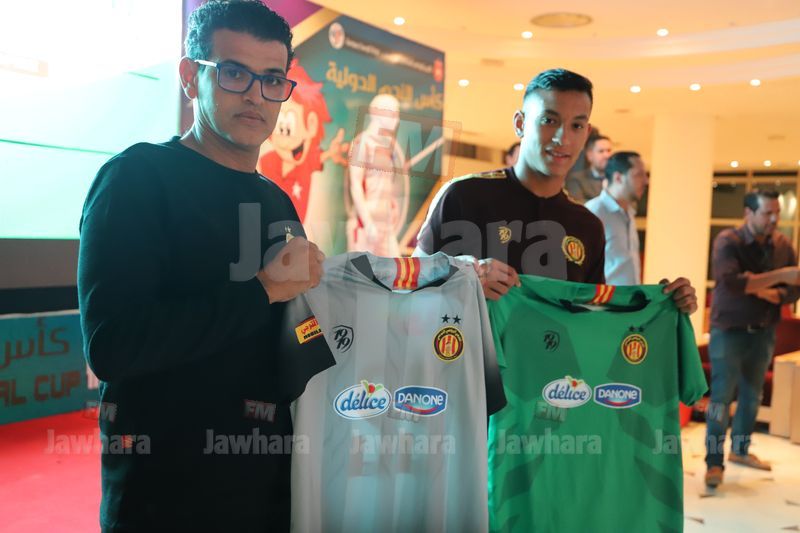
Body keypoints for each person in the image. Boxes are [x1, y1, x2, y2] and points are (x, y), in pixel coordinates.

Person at [78, 1, 332, 530]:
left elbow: (284, 342)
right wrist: (263, 288)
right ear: (191, 77)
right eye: (235, 73)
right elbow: (112, 347)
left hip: (266, 487)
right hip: (164, 495)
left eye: (272, 79)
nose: (256, 95)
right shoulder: (136, 179)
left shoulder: (276, 201)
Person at [415, 68, 696, 312]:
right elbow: (407, 283)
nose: (563, 138)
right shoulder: (463, 196)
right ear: (520, 124)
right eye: (549, 121)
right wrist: (464, 278)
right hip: (461, 356)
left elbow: (593, 320)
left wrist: (663, 304)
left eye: (577, 125)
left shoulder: (587, 226)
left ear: (586, 134)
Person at [704, 189, 800, 487]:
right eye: (767, 213)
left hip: (764, 332)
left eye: (777, 213)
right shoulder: (728, 241)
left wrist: (764, 289)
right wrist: (781, 275)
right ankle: (714, 462)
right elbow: (732, 283)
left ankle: (741, 450)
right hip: (728, 332)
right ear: (748, 213)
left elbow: (795, 288)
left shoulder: (782, 245)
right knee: (721, 398)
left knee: (751, 396)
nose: (774, 219)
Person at [346, 93, 409, 256]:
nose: (397, 120)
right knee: (364, 270)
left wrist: (392, 204)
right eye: (393, 114)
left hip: (385, 224)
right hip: (366, 223)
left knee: (394, 268)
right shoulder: (362, 143)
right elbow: (355, 185)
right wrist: (367, 223)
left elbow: (384, 182)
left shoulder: (386, 146)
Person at [585, 151, 648, 285]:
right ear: (618, 178)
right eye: (638, 175)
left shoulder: (629, 212)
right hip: (603, 298)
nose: (646, 181)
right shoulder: (593, 213)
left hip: (629, 297)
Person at [565, 134, 613, 203]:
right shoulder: (576, 179)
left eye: (609, 151)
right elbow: (578, 205)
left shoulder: (618, 178)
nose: (607, 155)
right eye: (601, 151)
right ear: (589, 155)